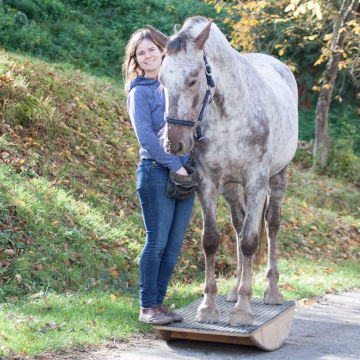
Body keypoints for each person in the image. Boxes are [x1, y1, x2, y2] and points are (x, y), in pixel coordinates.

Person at [122, 29, 195, 325]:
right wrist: (174, 165)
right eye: (141, 53)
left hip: (185, 175)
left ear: (163, 52)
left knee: (174, 246)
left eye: (152, 49)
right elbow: (147, 138)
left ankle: (160, 305)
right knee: (156, 243)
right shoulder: (140, 91)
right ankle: (147, 306)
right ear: (136, 60)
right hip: (155, 172)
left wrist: (188, 165)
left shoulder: (173, 86)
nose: (148, 55)